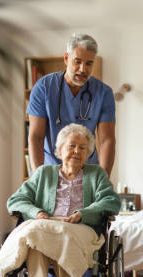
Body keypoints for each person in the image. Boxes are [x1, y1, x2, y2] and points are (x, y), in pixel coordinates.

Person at [5, 124, 120, 277]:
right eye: (72, 146)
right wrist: (37, 211)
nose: (77, 151)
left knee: (63, 235)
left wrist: (83, 213)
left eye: (83, 148)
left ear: (88, 153)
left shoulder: (97, 174)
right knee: (35, 239)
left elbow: (111, 201)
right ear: (59, 151)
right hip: (46, 227)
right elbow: (16, 200)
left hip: (81, 229)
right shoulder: (43, 174)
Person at [27, 33, 116, 177]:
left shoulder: (103, 93)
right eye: (77, 61)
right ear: (66, 58)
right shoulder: (44, 87)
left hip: (88, 171)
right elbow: (36, 136)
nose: (82, 69)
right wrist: (38, 176)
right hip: (50, 169)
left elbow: (107, 140)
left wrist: (103, 179)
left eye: (89, 63)